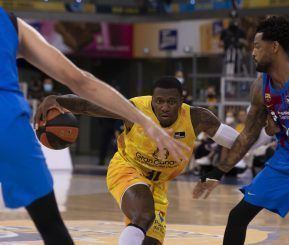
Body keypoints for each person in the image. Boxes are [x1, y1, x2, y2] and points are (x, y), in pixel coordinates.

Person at [0, 8, 188, 245]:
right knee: (51, 227)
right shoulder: (9, 22)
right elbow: (80, 80)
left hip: (8, 117)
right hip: (8, 120)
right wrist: (144, 121)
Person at [38, 77, 240, 245]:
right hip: (127, 169)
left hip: (159, 185)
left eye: (171, 102)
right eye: (159, 101)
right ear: (152, 99)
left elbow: (239, 143)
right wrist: (57, 100)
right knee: (143, 214)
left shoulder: (198, 118)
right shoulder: (134, 109)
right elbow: (88, 105)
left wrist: (269, 138)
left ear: (181, 101)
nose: (165, 107)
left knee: (149, 239)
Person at [193, 16, 289, 245]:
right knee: (237, 217)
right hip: (288, 157)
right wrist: (218, 172)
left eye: (256, 46)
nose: (252, 52)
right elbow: (248, 135)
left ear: (274, 47)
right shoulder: (260, 88)